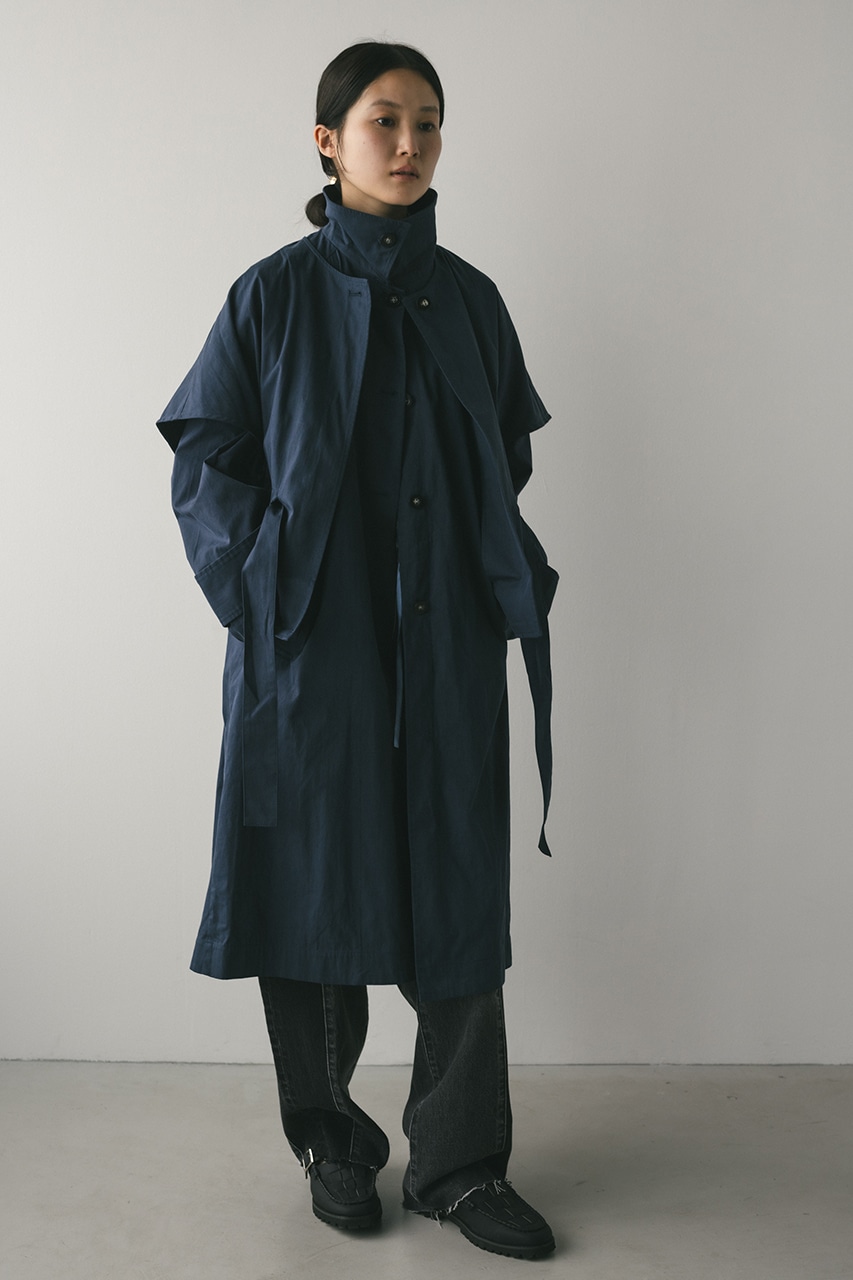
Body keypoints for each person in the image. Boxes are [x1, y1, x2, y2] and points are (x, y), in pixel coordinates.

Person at [158, 40, 558, 1261]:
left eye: (427, 122)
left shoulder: (472, 300)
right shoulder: (269, 296)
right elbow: (205, 464)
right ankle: (333, 1140)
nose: (410, 142)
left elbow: (505, 457)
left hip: (444, 647)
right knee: (310, 889)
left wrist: (481, 575)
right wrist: (266, 588)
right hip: (308, 652)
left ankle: (460, 1164)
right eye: (384, 119)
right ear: (327, 140)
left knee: (457, 894)